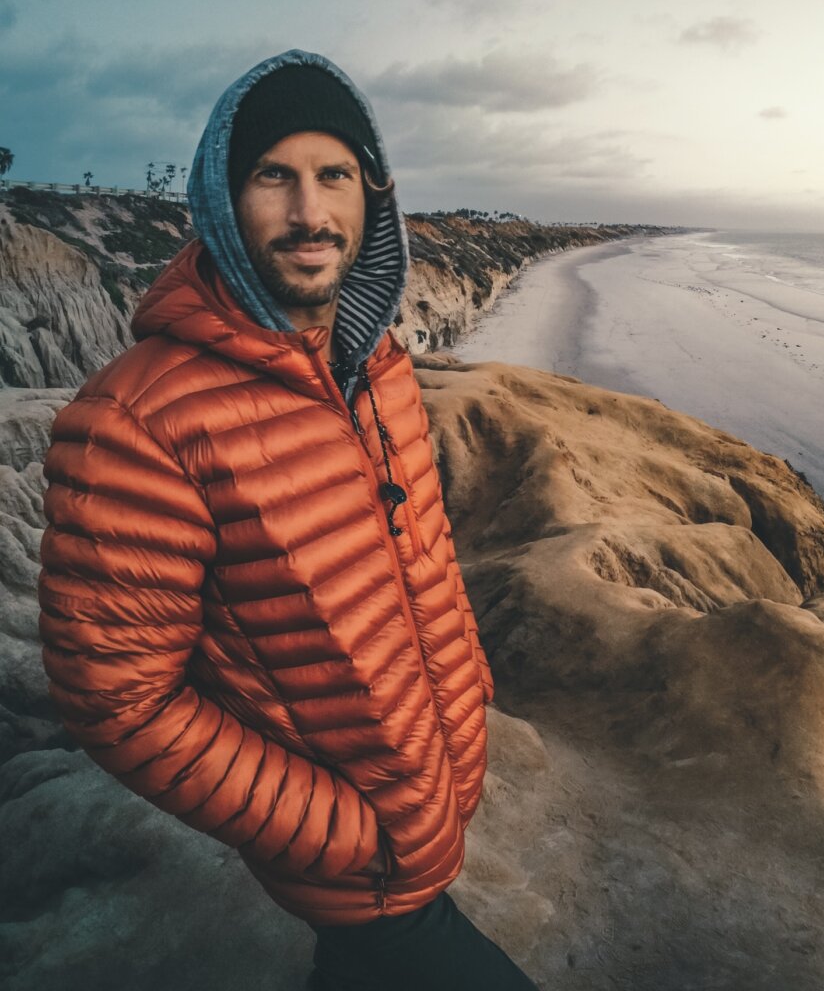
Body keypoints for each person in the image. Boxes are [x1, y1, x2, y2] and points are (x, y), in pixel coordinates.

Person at [38, 49, 539, 991]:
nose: (310, 213)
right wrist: (338, 831)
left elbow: (421, 558)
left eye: (333, 175)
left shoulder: (377, 367)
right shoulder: (137, 421)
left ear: (370, 194)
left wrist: (463, 709)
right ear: (224, 199)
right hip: (359, 858)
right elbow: (118, 699)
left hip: (422, 814)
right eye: (275, 176)